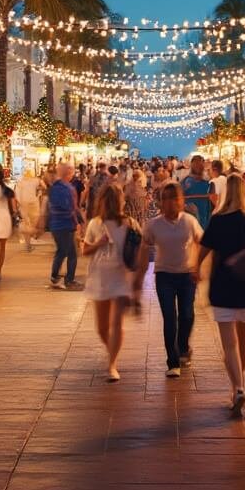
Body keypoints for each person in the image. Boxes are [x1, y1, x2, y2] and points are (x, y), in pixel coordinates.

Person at [196, 174, 245, 416]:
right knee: (244, 342)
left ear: (225, 192)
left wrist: (195, 269)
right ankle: (238, 387)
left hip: (223, 287)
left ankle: (238, 388)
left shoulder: (218, 221)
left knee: (229, 345)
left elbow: (203, 251)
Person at [82, 184, 141, 382]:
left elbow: (140, 249)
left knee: (117, 323)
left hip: (121, 277)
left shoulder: (130, 223)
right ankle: (112, 352)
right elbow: (85, 250)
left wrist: (137, 279)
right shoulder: (95, 224)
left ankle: (112, 364)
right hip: (99, 277)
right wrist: (99, 243)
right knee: (102, 327)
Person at [146, 183, 204, 378]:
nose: (171, 203)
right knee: (169, 317)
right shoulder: (154, 224)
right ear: (162, 202)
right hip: (164, 275)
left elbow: (201, 242)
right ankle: (173, 361)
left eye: (175, 198)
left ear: (181, 201)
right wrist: (137, 273)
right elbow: (144, 245)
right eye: (167, 199)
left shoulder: (189, 221)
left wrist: (198, 266)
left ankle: (183, 346)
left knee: (187, 314)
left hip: (187, 274)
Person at [48, 163, 85, 290]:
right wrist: (78, 222)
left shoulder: (54, 187)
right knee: (72, 254)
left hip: (56, 225)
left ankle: (55, 276)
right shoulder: (68, 188)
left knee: (61, 251)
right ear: (68, 173)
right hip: (66, 225)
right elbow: (71, 208)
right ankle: (69, 280)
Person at [181, 155, 216, 230]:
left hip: (199, 220)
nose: (198, 166)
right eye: (197, 164)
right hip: (195, 220)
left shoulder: (208, 183)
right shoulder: (208, 183)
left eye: (199, 164)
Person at [15, 168, 45, 251]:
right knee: (32, 223)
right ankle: (32, 236)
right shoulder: (36, 180)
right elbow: (44, 187)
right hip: (34, 203)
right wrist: (38, 192)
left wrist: (19, 204)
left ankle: (28, 243)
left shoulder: (20, 181)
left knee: (26, 224)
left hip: (23, 204)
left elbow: (17, 194)